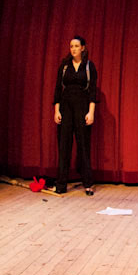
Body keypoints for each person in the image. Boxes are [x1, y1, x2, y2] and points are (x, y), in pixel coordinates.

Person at [53, 36, 97, 195]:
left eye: (76, 46)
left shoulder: (89, 66)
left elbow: (92, 91)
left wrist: (91, 112)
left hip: (82, 106)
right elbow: (58, 89)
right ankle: (61, 184)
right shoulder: (64, 66)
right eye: (71, 46)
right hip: (65, 107)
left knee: (83, 145)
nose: (73, 49)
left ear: (83, 48)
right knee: (64, 145)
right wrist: (57, 110)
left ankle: (87, 183)